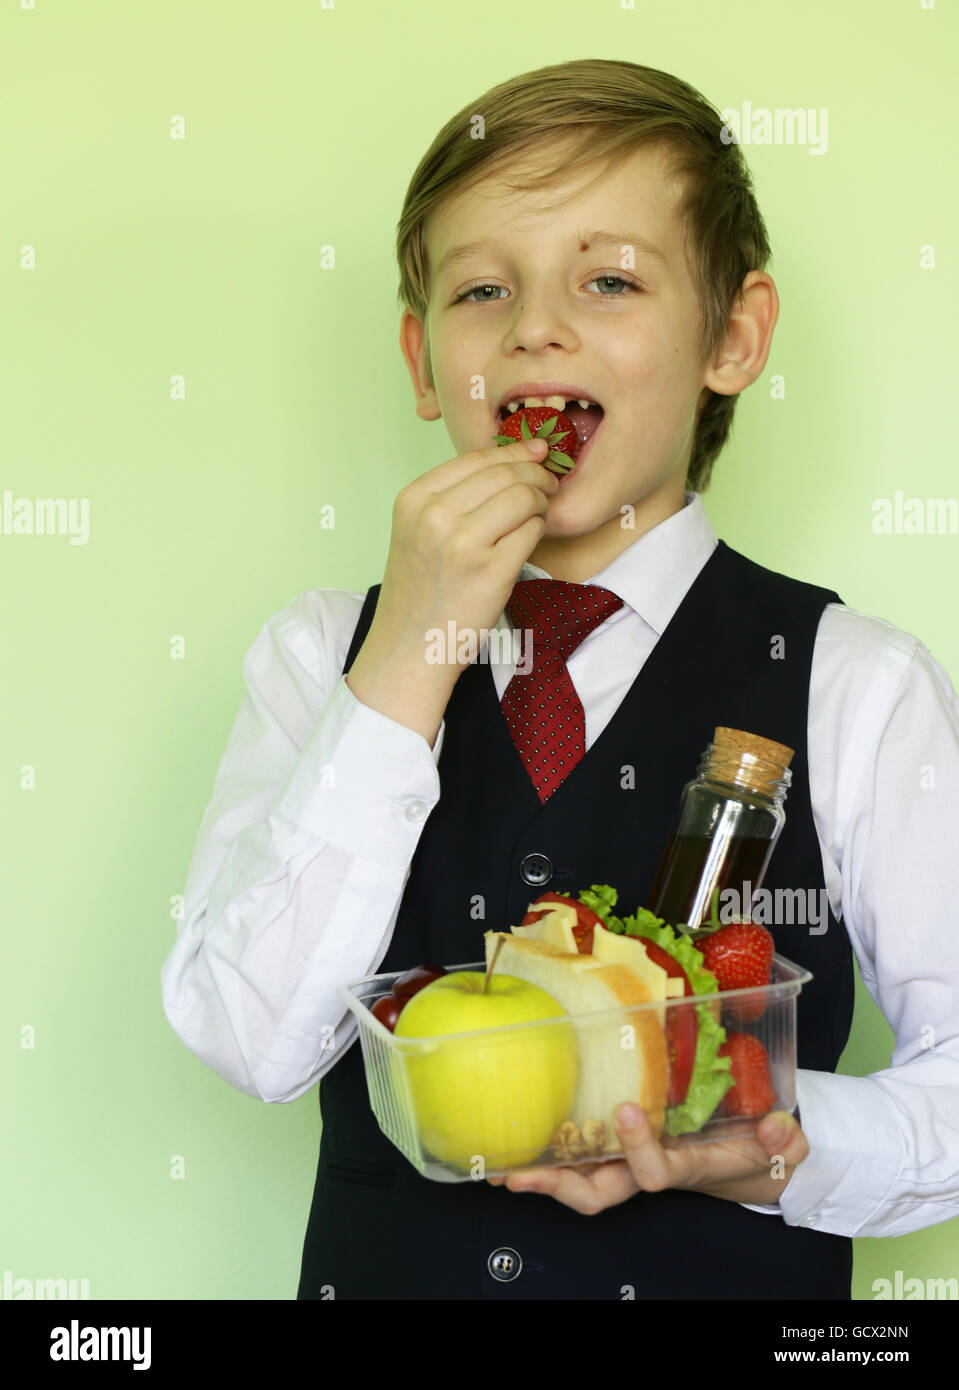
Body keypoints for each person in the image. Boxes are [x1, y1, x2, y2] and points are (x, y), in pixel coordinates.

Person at [160, 59, 959, 1300]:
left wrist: (748, 1144)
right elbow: (250, 1041)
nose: (537, 325)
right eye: (484, 287)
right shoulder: (323, 652)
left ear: (732, 336)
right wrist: (408, 655)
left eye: (608, 279)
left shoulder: (858, 685)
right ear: (427, 365)